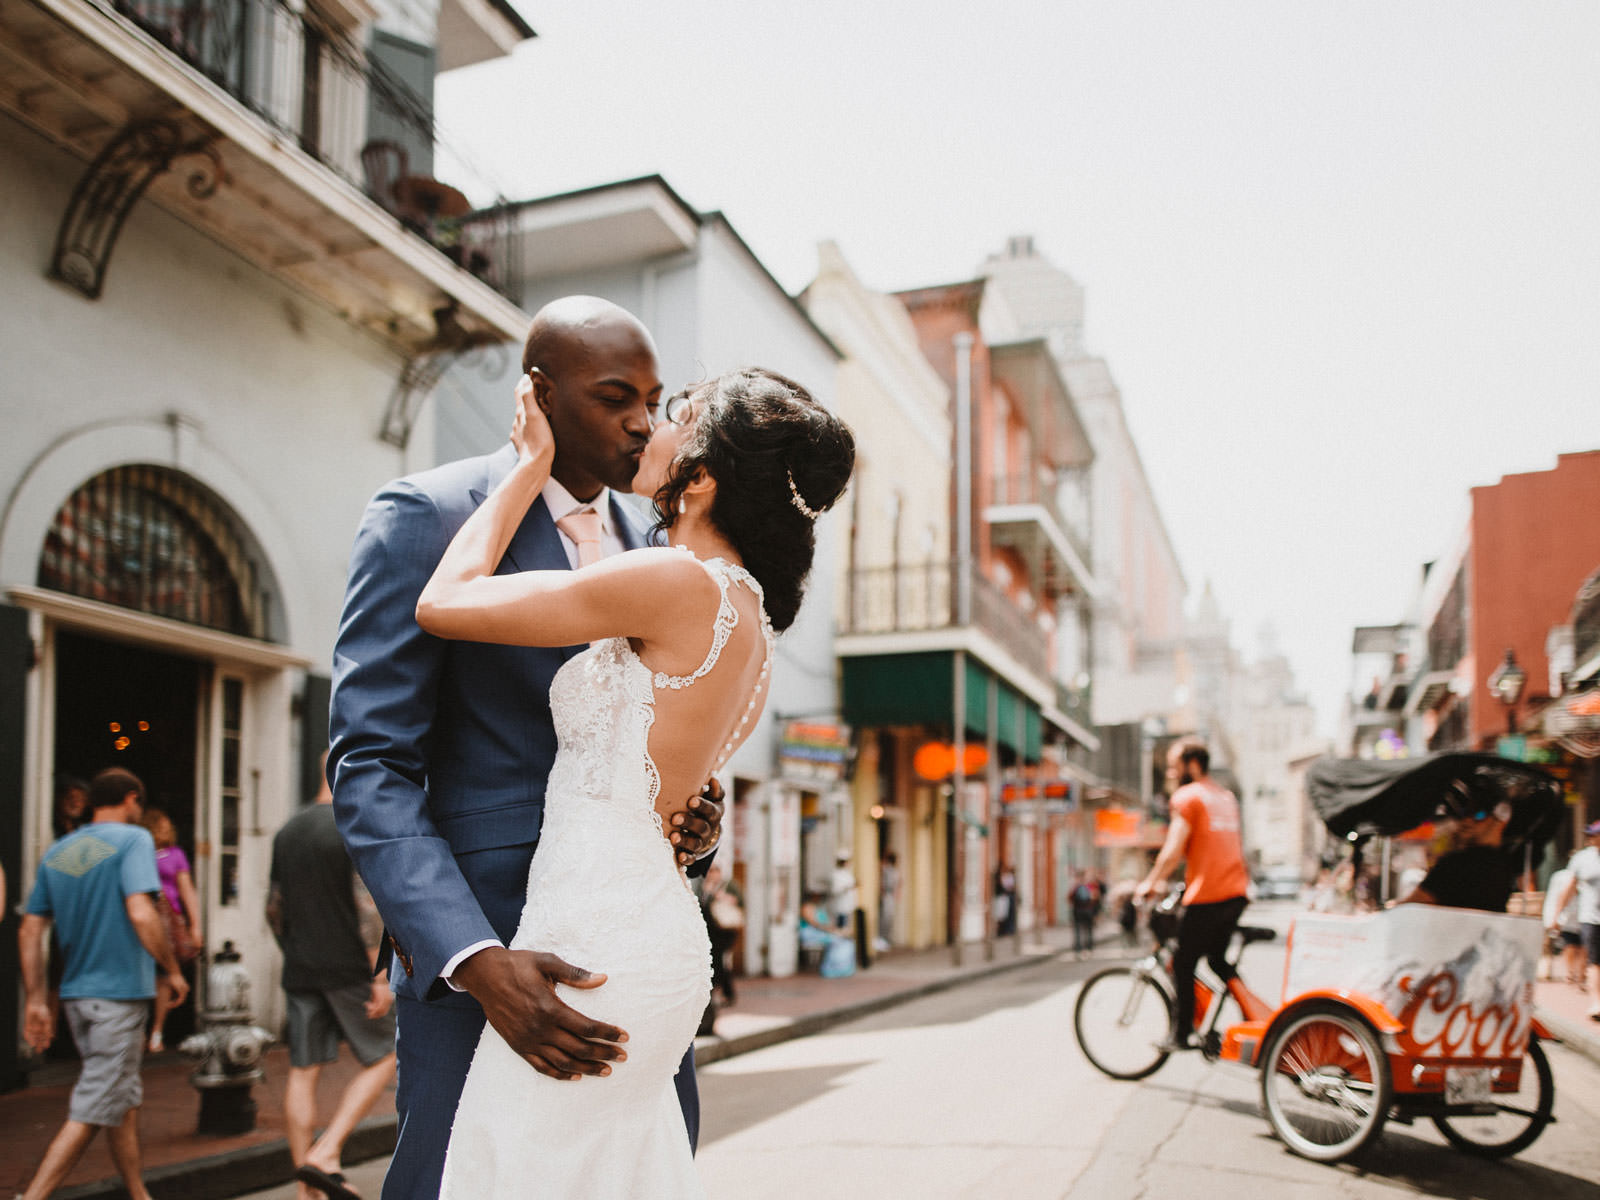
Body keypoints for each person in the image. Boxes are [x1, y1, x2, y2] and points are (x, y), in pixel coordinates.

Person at [411, 363, 852, 1198]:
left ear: (706, 474)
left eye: (676, 416)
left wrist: (529, 466)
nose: (652, 427)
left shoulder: (675, 582)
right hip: (652, 935)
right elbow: (673, 782)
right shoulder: (750, 619)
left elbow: (447, 602)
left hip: (596, 942)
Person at [328, 299, 730, 1200]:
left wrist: (690, 817)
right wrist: (470, 957)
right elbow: (369, 764)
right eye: (615, 396)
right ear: (539, 396)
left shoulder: (660, 554)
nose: (643, 423)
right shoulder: (426, 517)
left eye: (654, 401)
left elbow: (651, 740)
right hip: (498, 961)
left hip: (629, 962)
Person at [16, 768, 188, 1200]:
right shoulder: (134, 840)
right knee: (93, 1107)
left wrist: (36, 1000)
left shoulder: (62, 851)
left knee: (121, 1103)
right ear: (132, 800)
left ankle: (137, 1193)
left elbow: (30, 929)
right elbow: (142, 913)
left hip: (78, 997)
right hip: (119, 995)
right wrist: (171, 968)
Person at [269, 760, 397, 1200]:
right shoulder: (349, 824)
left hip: (301, 966)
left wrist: (292, 951)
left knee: (303, 1073)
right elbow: (367, 910)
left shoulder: (288, 830)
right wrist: (379, 975)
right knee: (386, 1055)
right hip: (347, 967)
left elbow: (274, 907)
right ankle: (326, 1152)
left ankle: (308, 1188)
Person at [1135, 740, 1249, 1052]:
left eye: (1174, 765)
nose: (1170, 772)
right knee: (1216, 960)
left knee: (1181, 962)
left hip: (1208, 894)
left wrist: (1150, 881)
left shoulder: (1188, 797)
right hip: (1236, 892)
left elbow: (1173, 850)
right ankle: (1251, 1017)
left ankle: (1181, 1033)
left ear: (1193, 764)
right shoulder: (1225, 797)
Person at [140, 807, 201, 1052]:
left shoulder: (176, 855)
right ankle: (139, 1030)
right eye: (160, 826)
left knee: (164, 976)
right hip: (144, 918)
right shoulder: (139, 852)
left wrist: (195, 925)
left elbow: (187, 889)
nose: (165, 830)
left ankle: (157, 1030)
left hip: (169, 919)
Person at [1397, 801, 1518, 913]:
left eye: (1479, 815)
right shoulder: (1507, 863)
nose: (1467, 820)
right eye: (1462, 814)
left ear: (1501, 820)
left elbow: (1410, 907)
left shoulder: (1458, 862)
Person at [1547, 820, 1600, 1020]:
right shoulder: (1582, 859)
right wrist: (1557, 915)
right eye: (1590, 834)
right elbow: (1569, 888)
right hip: (1590, 918)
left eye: (1595, 834)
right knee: (1594, 961)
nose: (1591, 838)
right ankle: (1596, 1003)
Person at [699, 863, 743, 1006]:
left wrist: (718, 895)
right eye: (709, 871)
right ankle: (723, 992)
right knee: (715, 960)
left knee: (718, 959)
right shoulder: (703, 886)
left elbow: (740, 902)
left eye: (714, 871)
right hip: (710, 929)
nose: (712, 874)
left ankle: (723, 992)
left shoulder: (728, 885)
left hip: (725, 929)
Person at [1070, 870, 1100, 956]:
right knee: (1088, 930)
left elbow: (1069, 898)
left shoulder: (1076, 887)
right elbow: (1095, 899)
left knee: (1078, 930)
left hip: (1077, 911)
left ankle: (1078, 949)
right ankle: (1089, 948)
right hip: (1088, 911)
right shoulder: (1090, 886)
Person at [877, 850, 900, 952]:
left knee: (888, 918)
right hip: (887, 895)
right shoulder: (887, 869)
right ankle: (882, 939)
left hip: (889, 895)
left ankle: (885, 939)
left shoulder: (893, 871)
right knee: (885, 918)